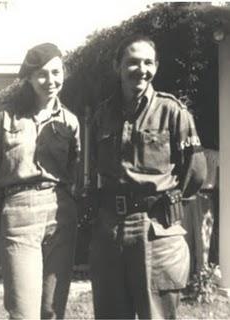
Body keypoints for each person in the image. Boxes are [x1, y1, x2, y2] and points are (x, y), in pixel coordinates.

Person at [89, 34, 207, 319]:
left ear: (156, 66)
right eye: (132, 62)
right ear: (116, 66)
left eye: (148, 63)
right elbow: (94, 167)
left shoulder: (173, 112)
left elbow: (195, 172)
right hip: (110, 230)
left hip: (157, 232)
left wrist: (164, 203)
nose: (141, 69)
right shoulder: (102, 116)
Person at [0, 43, 80, 319]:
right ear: (30, 78)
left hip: (60, 215)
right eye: (43, 74)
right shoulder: (5, 116)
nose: (51, 81)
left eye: (57, 73)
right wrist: (8, 204)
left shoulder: (70, 122)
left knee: (52, 309)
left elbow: (75, 170)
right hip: (19, 213)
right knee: (23, 311)